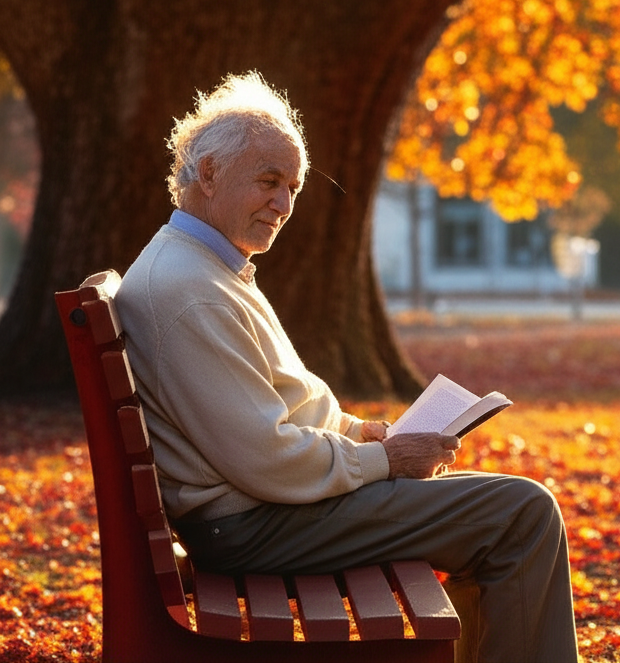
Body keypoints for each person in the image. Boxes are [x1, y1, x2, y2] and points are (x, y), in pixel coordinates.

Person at [116, 72, 578, 663]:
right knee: (522, 514)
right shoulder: (193, 291)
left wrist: (364, 435)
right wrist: (385, 460)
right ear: (208, 174)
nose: (283, 205)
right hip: (256, 525)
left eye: (292, 188)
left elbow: (281, 411)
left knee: (510, 508)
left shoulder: (205, 269)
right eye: (269, 182)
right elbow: (268, 459)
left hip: (266, 511)